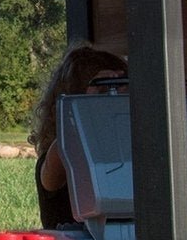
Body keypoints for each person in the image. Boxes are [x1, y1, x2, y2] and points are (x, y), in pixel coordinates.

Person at [28, 43, 129, 228]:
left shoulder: (125, 157)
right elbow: (66, 144)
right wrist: (87, 110)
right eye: (105, 94)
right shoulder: (58, 153)